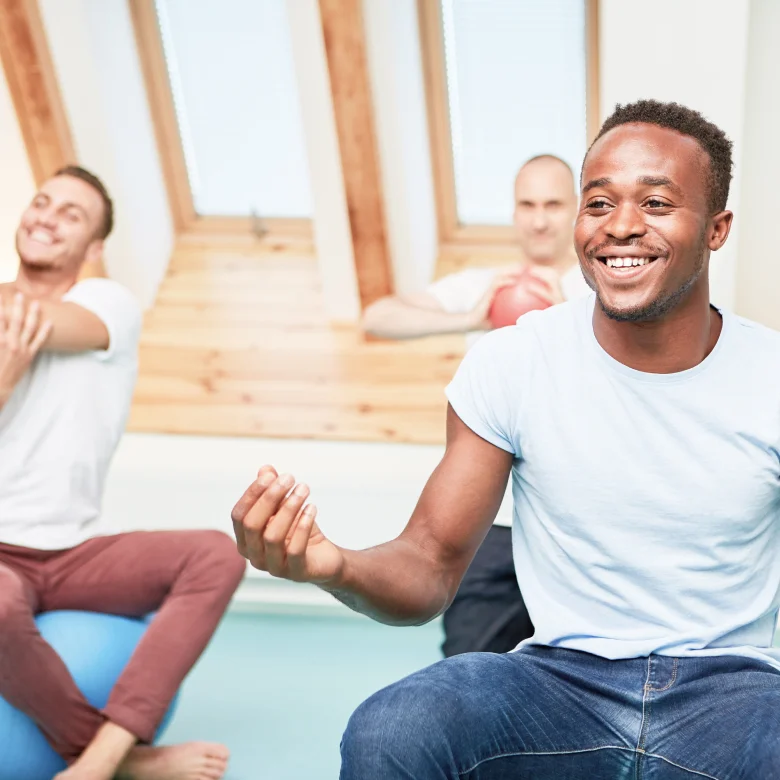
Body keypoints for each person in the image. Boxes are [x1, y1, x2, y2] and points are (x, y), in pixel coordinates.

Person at [232, 99, 780, 779]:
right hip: (562, 685)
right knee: (393, 727)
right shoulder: (512, 362)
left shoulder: (771, 377)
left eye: (658, 203)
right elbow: (429, 565)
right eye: (600, 203)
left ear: (717, 229)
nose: (623, 227)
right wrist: (334, 565)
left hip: (735, 694)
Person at [0, 166, 246, 780]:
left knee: (216, 554)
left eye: (71, 215)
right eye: (42, 202)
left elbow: (40, 324)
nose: (47, 217)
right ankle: (121, 760)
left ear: (94, 248)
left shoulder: (107, 303)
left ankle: (106, 756)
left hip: (70, 554)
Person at [363, 154, 591, 656]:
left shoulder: (599, 290)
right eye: (526, 204)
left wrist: (562, 320)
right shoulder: (485, 284)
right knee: (468, 667)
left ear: (575, 210)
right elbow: (378, 316)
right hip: (491, 523)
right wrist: (470, 316)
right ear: (512, 212)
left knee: (579, 672)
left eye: (553, 204)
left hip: (574, 527)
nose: (538, 218)